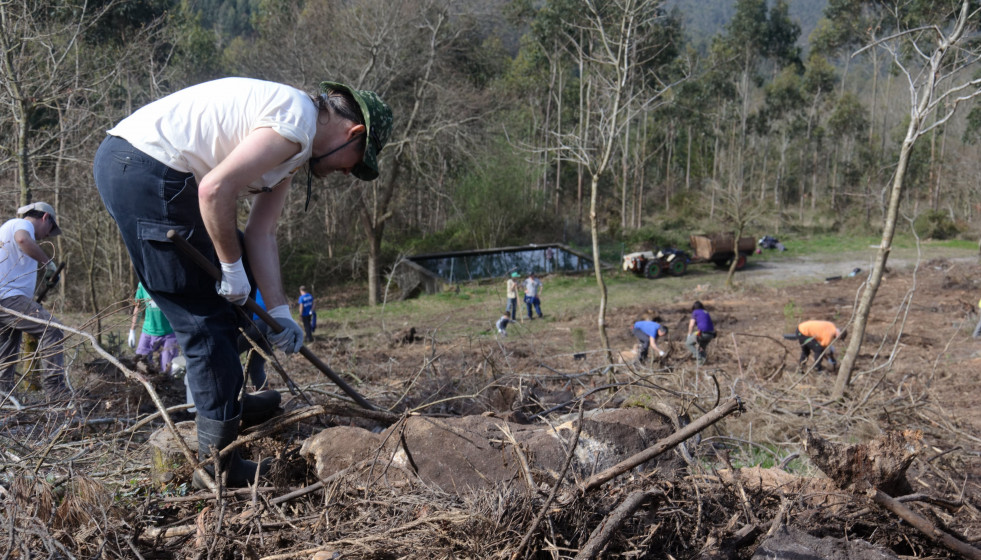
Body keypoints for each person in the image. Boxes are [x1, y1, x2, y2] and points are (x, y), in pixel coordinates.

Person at [93, 77, 393, 489]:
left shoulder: (293, 145)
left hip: (144, 168)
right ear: (352, 133)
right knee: (204, 318)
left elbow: (260, 234)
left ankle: (230, 400)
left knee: (239, 289)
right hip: (145, 170)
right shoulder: (296, 123)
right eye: (353, 163)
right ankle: (218, 466)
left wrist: (280, 310)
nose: (346, 172)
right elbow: (215, 190)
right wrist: (230, 270)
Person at [0, 202, 69, 400]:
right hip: (9, 298)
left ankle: (4, 400)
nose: (48, 235)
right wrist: (48, 263)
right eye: (50, 229)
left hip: (6, 299)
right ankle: (56, 392)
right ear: (45, 217)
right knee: (52, 329)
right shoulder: (22, 226)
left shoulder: (7, 227)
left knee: (7, 352)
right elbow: (22, 239)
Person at [129, 282, 180, 374]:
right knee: (141, 364)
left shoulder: (169, 282)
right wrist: (132, 330)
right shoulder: (142, 284)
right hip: (148, 332)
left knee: (166, 371)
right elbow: (138, 307)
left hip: (168, 334)